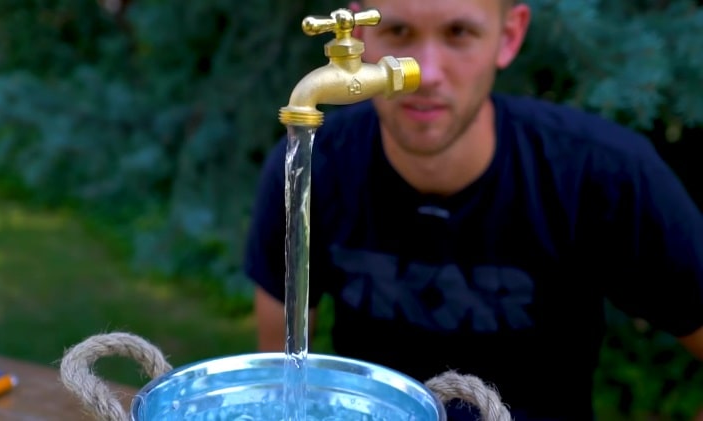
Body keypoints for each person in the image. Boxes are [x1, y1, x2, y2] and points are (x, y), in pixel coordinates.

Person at [243, 0, 703, 419]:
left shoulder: (599, 173)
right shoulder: (313, 167)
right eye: (399, 32)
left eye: (459, 33)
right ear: (361, 39)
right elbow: (279, 378)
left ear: (508, 36)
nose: (426, 71)